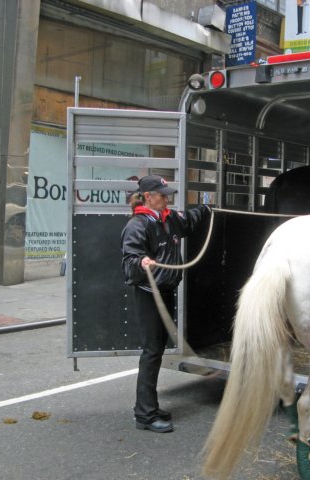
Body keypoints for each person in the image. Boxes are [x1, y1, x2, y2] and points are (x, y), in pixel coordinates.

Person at [120, 174, 210, 433]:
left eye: (166, 193)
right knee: (151, 352)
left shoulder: (168, 218)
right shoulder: (138, 225)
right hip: (149, 294)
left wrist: (206, 209)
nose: (166, 197)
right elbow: (129, 262)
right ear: (148, 196)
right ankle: (145, 416)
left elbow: (189, 222)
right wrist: (141, 263)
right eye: (161, 194)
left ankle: (149, 406)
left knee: (157, 350)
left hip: (166, 290)